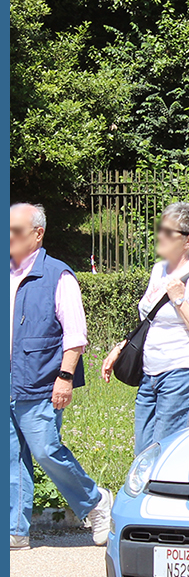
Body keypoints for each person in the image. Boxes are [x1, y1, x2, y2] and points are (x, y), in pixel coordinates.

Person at [9, 203, 112, 549]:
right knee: (10, 456)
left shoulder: (58, 275)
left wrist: (65, 377)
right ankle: (15, 530)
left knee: (46, 450)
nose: (9, 237)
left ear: (37, 234)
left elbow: (75, 334)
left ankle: (95, 502)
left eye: (16, 230)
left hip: (41, 381)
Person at [102, 202, 189, 454]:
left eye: (168, 231)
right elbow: (149, 320)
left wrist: (179, 300)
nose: (160, 236)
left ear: (188, 240)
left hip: (181, 373)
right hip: (149, 373)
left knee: (163, 452)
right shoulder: (158, 270)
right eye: (160, 229)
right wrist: (121, 346)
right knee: (143, 452)